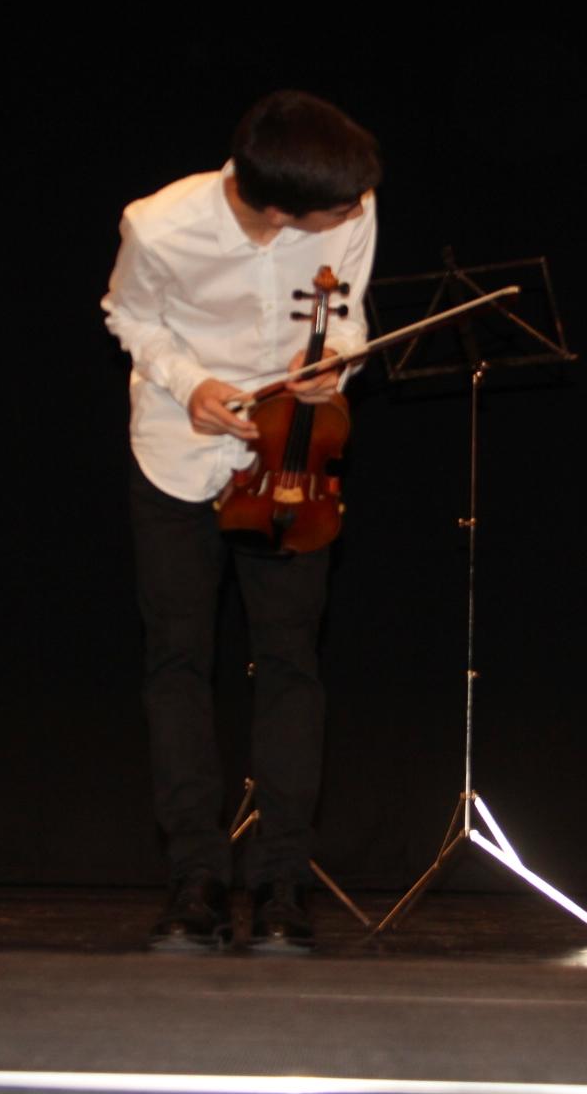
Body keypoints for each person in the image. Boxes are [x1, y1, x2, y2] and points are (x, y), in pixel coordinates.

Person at [103, 91, 380, 953]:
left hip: (293, 455)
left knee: (292, 662)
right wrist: (191, 384)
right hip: (178, 449)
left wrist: (335, 364)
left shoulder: (351, 207)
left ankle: (282, 881)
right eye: (335, 210)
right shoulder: (158, 226)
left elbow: (349, 316)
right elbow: (128, 315)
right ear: (279, 208)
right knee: (179, 661)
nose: (353, 214)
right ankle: (195, 877)